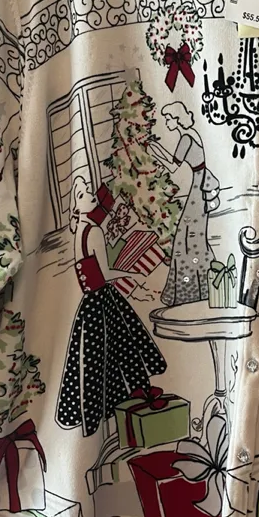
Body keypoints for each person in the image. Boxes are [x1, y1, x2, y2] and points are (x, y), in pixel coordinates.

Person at [55, 175, 166, 437]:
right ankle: (138, 396)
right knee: (124, 346)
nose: (90, 194)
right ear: (76, 204)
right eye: (82, 194)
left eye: (88, 191)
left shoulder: (79, 232)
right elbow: (104, 273)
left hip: (90, 303)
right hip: (103, 300)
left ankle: (113, 407)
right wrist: (131, 275)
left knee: (95, 359)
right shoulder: (93, 231)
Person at [150, 102, 220, 307]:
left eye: (168, 118)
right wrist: (156, 148)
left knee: (187, 237)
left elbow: (172, 167)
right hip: (199, 184)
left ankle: (188, 291)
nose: (167, 123)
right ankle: (201, 286)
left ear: (176, 118)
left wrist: (153, 150)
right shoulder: (191, 134)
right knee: (193, 237)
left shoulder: (186, 138)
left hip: (198, 188)